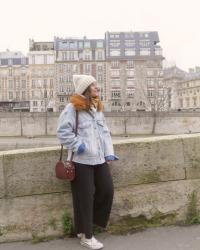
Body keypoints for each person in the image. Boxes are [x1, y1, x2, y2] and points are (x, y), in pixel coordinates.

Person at [56, 74, 118, 250]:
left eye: (97, 85)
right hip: (81, 161)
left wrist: (109, 153)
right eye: (93, 85)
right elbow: (62, 132)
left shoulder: (96, 107)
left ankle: (84, 226)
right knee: (84, 199)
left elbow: (104, 132)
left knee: (107, 190)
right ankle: (87, 236)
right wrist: (79, 146)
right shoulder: (72, 108)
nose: (97, 88)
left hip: (99, 159)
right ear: (85, 89)